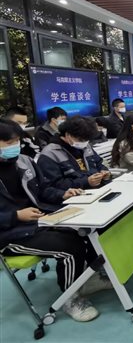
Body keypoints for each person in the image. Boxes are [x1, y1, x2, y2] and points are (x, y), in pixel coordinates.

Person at [0, 118, 110, 321]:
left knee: (84, 231)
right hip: (8, 234)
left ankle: (87, 280)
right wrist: (16, 215)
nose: (15, 146)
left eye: (17, 141)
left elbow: (43, 190)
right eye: (9, 143)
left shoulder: (23, 161)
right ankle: (70, 297)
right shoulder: (48, 154)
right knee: (68, 247)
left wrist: (63, 194)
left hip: (39, 219)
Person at [38, 116, 111, 191]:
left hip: (98, 190)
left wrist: (104, 172)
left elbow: (99, 163)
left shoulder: (85, 146)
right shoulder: (50, 154)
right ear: (68, 135)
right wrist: (86, 182)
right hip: (75, 195)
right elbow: (52, 186)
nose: (84, 143)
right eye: (81, 140)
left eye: (86, 140)